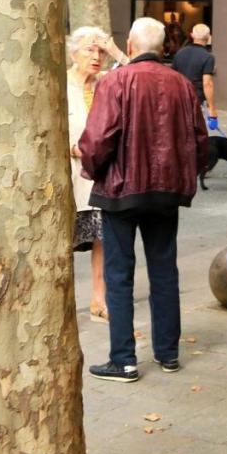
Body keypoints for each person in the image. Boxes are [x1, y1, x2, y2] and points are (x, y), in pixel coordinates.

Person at [79, 17, 210, 383]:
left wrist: (93, 169)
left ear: (130, 46)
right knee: (164, 270)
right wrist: (187, 176)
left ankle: (123, 360)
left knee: (119, 275)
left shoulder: (116, 82)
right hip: (166, 193)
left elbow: (98, 138)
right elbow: (200, 141)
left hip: (121, 192)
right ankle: (168, 354)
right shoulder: (182, 85)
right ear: (162, 48)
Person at [66, 26, 128, 322]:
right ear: (73, 52)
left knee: (101, 239)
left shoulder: (106, 83)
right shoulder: (60, 84)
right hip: (67, 177)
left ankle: (98, 300)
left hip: (98, 176)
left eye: (101, 51)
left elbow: (137, 75)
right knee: (62, 239)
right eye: (90, 49)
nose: (97, 56)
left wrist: (116, 51)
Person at [172, 23, 225, 137]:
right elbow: (207, 83)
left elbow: (173, 77)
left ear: (191, 35)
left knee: (180, 132)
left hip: (178, 99)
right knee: (195, 133)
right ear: (209, 37)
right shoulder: (208, 57)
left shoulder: (179, 53)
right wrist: (212, 110)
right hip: (196, 100)